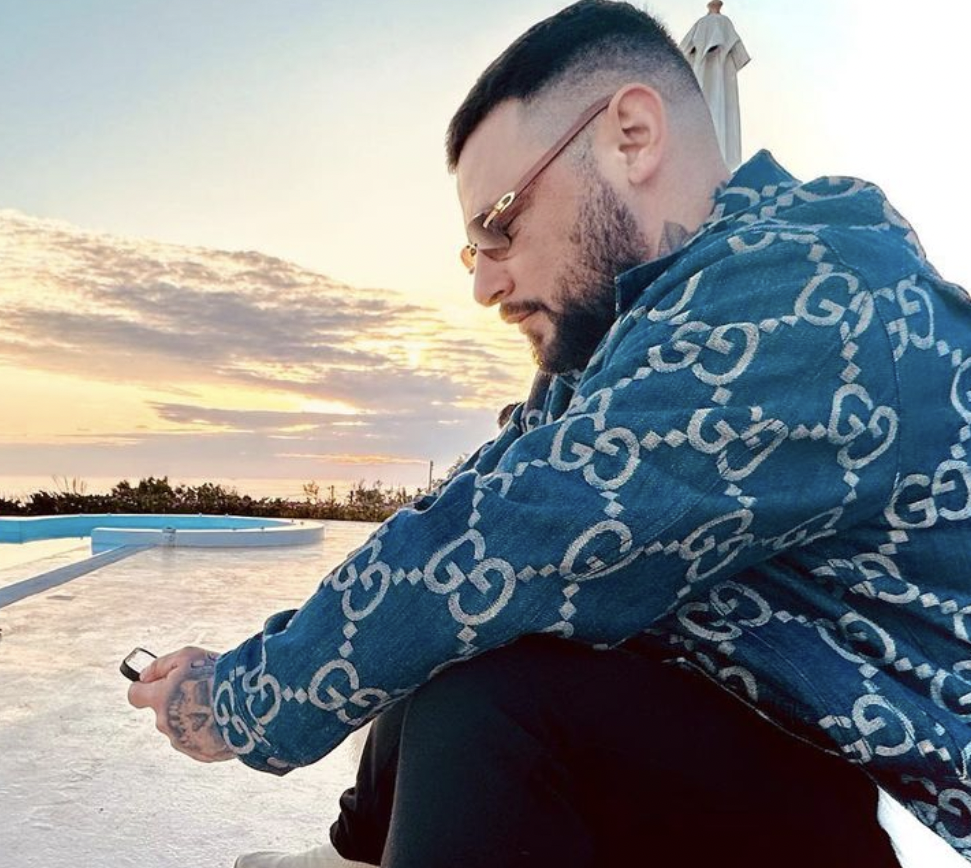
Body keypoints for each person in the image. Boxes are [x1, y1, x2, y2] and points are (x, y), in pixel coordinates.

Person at [128, 2, 971, 866]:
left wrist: (235, 702)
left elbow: (506, 539)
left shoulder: (809, 295)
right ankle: (358, 856)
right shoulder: (635, 334)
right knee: (451, 637)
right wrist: (256, 657)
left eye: (500, 226)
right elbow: (460, 512)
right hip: (777, 765)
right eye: (474, 251)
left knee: (486, 681)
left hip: (820, 801)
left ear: (632, 137)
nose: (484, 286)